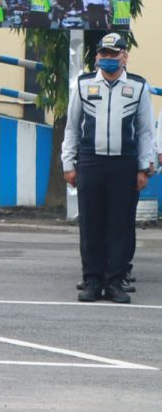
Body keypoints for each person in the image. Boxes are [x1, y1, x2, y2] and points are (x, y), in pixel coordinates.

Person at [61, 33, 154, 304]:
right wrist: (68, 163)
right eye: (104, 54)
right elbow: (72, 127)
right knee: (91, 223)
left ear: (124, 57)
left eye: (114, 54)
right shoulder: (84, 84)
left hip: (125, 163)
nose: (109, 58)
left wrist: (143, 168)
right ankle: (92, 280)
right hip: (91, 161)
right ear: (97, 57)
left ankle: (115, 282)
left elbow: (146, 132)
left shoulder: (138, 86)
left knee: (121, 224)